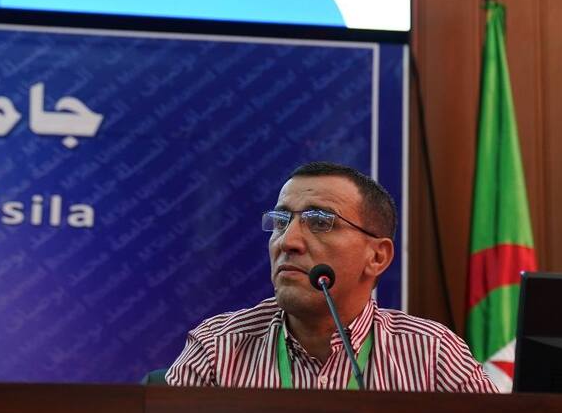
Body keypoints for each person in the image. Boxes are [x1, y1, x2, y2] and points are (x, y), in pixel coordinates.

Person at [166, 162, 498, 392]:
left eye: (320, 222)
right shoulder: (218, 348)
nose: (287, 242)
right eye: (281, 221)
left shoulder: (431, 354)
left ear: (377, 256)